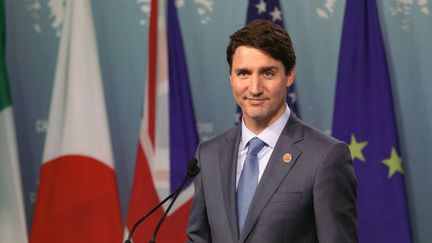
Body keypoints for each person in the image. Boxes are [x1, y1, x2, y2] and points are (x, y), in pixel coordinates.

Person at [187, 19, 357, 243]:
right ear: (231, 78)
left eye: (267, 73)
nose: (255, 88)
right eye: (243, 74)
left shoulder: (325, 157)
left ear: (289, 75)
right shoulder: (207, 155)